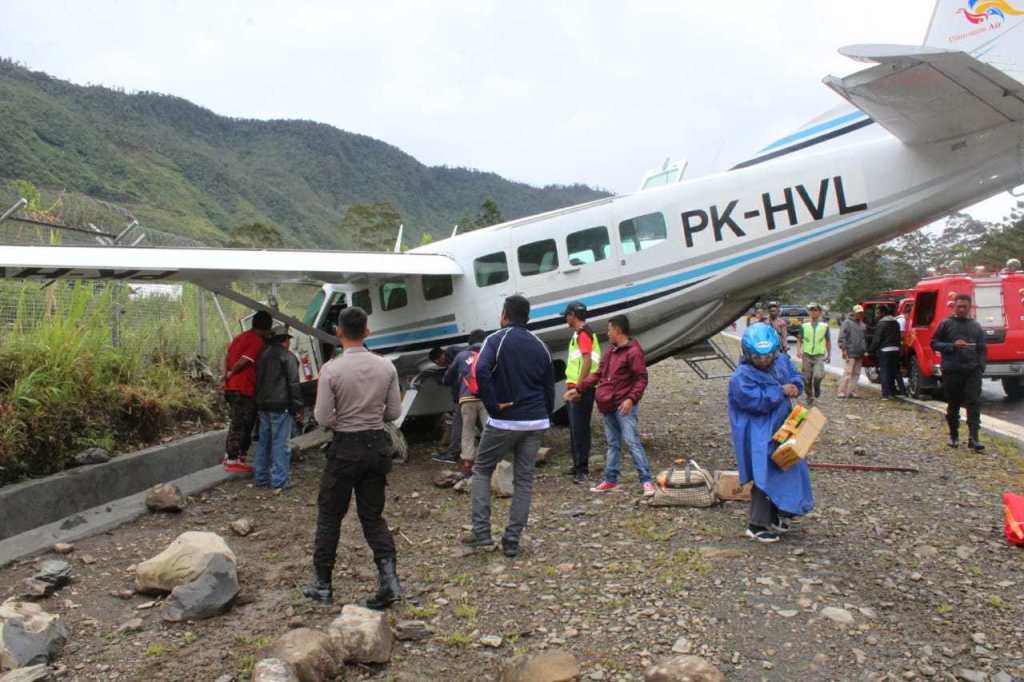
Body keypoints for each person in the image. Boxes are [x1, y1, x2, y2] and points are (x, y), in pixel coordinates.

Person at [304, 306, 403, 608]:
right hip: (376, 446)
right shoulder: (386, 367)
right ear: (368, 332)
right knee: (372, 517)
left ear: (338, 332)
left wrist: (341, 421)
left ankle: (322, 584)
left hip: (345, 448)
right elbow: (394, 413)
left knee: (330, 515)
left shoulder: (331, 370)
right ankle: (390, 582)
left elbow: (322, 416)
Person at [464, 295, 554, 559]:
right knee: (524, 479)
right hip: (535, 420)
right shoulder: (540, 345)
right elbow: (549, 385)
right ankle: (512, 540)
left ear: (504, 314)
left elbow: (480, 371)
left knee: (482, 469)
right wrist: (544, 414)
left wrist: (492, 405)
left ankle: (482, 533)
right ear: (527, 317)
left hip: (505, 419)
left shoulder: (496, 339)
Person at [728, 323, 814, 543]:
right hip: (759, 433)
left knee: (788, 466)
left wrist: (796, 385)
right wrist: (779, 391)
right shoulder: (741, 377)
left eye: (768, 357)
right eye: (758, 358)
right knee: (763, 474)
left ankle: (778, 514)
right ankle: (756, 524)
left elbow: (794, 375)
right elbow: (754, 401)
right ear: (748, 354)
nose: (764, 361)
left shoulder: (781, 362)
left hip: (784, 427)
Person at [568, 315, 655, 497]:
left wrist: (631, 399)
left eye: (609, 330)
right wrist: (579, 388)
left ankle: (647, 481)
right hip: (608, 404)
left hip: (624, 406)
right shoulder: (611, 351)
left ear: (617, 330)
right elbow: (598, 373)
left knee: (632, 442)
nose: (607, 334)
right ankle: (610, 480)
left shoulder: (633, 352)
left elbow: (641, 378)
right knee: (613, 444)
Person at [931, 293, 987, 451]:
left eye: (965, 307)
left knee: (974, 402)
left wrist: (981, 366)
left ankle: (974, 438)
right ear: (954, 306)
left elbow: (982, 348)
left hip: (973, 370)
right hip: (952, 369)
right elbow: (934, 343)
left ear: (969, 308)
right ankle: (954, 435)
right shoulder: (946, 324)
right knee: (953, 403)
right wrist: (952, 346)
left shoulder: (976, 325)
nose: (962, 309)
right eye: (959, 306)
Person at [253, 325, 303, 492]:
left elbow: (257, 381)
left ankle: (260, 477)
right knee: (280, 443)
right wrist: (297, 407)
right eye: (289, 339)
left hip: (262, 405)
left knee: (264, 442)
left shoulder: (263, 356)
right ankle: (280, 481)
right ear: (285, 341)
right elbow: (294, 384)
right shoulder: (288, 357)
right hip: (281, 406)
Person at [222, 310, 272, 473]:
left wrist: (226, 374)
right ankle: (232, 459)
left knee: (240, 421)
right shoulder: (256, 341)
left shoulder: (239, 337)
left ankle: (236, 456)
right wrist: (232, 372)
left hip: (231, 387)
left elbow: (227, 356)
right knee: (240, 423)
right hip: (242, 388)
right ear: (266, 328)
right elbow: (244, 360)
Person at [562, 302, 601, 484]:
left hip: (580, 389)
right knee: (575, 428)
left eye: (566, 315)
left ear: (572, 315)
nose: (565, 319)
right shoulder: (582, 333)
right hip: (577, 387)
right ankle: (577, 464)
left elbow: (586, 360)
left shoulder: (583, 334)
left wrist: (578, 387)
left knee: (580, 429)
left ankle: (582, 469)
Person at [443, 329, 488, 478]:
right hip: (486, 398)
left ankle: (468, 464)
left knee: (467, 431)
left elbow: (447, 379)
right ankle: (491, 462)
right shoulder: (489, 353)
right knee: (489, 431)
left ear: (469, 342)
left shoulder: (461, 356)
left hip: (466, 399)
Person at [430, 346, 464, 464]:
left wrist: (441, 378)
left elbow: (448, 380)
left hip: (462, 397)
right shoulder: (463, 356)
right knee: (471, 426)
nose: (440, 365)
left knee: (457, 425)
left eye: (438, 363)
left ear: (439, 358)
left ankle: (453, 453)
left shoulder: (453, 357)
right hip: (472, 395)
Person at [795, 303, 831, 406]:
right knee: (806, 378)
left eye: (816, 310)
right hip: (807, 355)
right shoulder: (804, 326)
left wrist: (829, 355)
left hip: (819, 355)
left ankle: (817, 387)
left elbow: (828, 341)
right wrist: (798, 350)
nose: (813, 312)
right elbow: (799, 339)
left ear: (820, 312)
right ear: (809, 312)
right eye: (811, 310)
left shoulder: (824, 326)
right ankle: (809, 396)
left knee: (818, 376)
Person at [869, 305, 905, 399]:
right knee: (892, 372)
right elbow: (899, 337)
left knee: (885, 372)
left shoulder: (881, 324)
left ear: (883, 313)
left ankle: (886, 394)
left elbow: (877, 339)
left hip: (885, 350)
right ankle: (893, 392)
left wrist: (870, 350)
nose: (876, 315)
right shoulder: (896, 322)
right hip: (896, 350)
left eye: (878, 313)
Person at [837, 305, 867, 399]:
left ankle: (852, 391)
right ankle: (841, 391)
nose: (860, 314)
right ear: (854, 312)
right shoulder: (847, 322)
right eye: (858, 312)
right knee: (848, 372)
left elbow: (863, 338)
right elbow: (842, 337)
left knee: (857, 373)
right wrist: (844, 350)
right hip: (850, 352)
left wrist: (864, 349)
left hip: (860, 352)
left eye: (861, 312)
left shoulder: (862, 324)